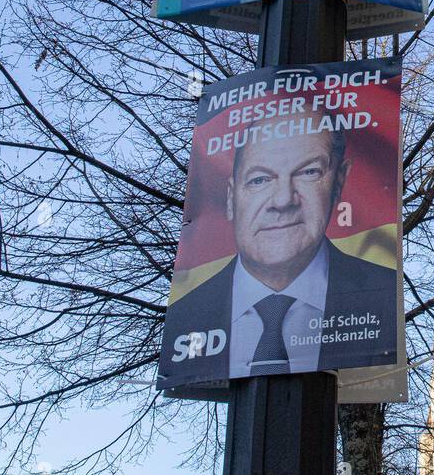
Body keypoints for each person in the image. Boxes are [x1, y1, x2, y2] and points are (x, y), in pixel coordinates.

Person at [159, 116, 398, 386]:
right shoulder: (188, 316)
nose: (283, 200)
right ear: (231, 197)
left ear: (339, 182)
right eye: (259, 179)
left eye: (309, 172)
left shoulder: (385, 301)